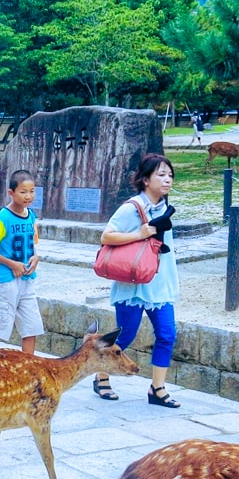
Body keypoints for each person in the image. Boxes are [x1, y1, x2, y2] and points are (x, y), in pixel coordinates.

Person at [94, 153, 180, 406]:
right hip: (132, 283)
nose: (167, 180)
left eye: (170, 175)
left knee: (167, 334)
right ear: (145, 180)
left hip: (159, 281)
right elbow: (106, 237)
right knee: (126, 335)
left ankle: (157, 389)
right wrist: (139, 234)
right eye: (161, 175)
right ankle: (101, 376)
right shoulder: (131, 208)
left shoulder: (165, 207)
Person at [0, 169, 42, 354]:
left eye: (32, 191)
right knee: (1, 327)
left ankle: (27, 372)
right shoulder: (2, 219)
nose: (28, 196)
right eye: (23, 192)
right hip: (6, 281)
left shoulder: (31, 216)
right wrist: (11, 264)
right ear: (11, 193)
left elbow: (33, 244)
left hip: (28, 280)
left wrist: (36, 257)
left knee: (31, 328)